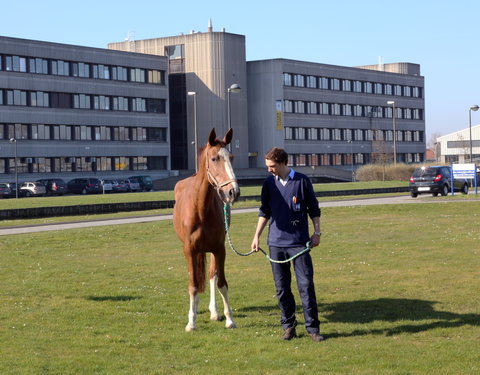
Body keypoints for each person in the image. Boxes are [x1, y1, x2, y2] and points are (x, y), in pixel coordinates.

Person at [251, 147, 324, 342]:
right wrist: (256, 236)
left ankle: (313, 329)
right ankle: (288, 326)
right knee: (282, 288)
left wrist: (316, 233)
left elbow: (314, 209)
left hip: (299, 243)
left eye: (272, 166)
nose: (269, 170)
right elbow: (264, 211)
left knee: (306, 285)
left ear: (283, 163)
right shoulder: (268, 184)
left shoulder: (302, 181)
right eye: (267, 166)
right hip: (276, 243)